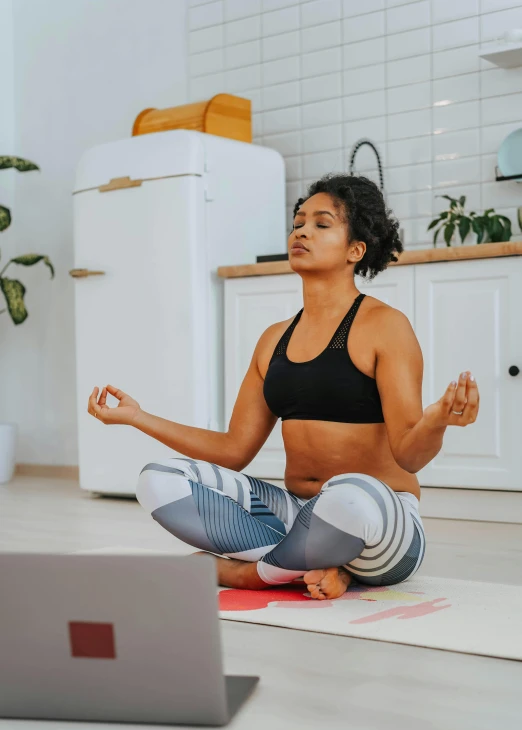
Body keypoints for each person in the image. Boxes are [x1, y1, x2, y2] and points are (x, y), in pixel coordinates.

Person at [88, 174, 479, 600]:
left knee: (348, 494)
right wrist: (138, 417)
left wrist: (437, 420)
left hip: (380, 524)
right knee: (158, 480)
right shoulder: (274, 339)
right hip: (296, 514)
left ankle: (251, 574)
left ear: (356, 250)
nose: (302, 231)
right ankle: (310, 566)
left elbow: (409, 454)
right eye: (298, 222)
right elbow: (233, 451)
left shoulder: (386, 327)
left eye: (322, 223)